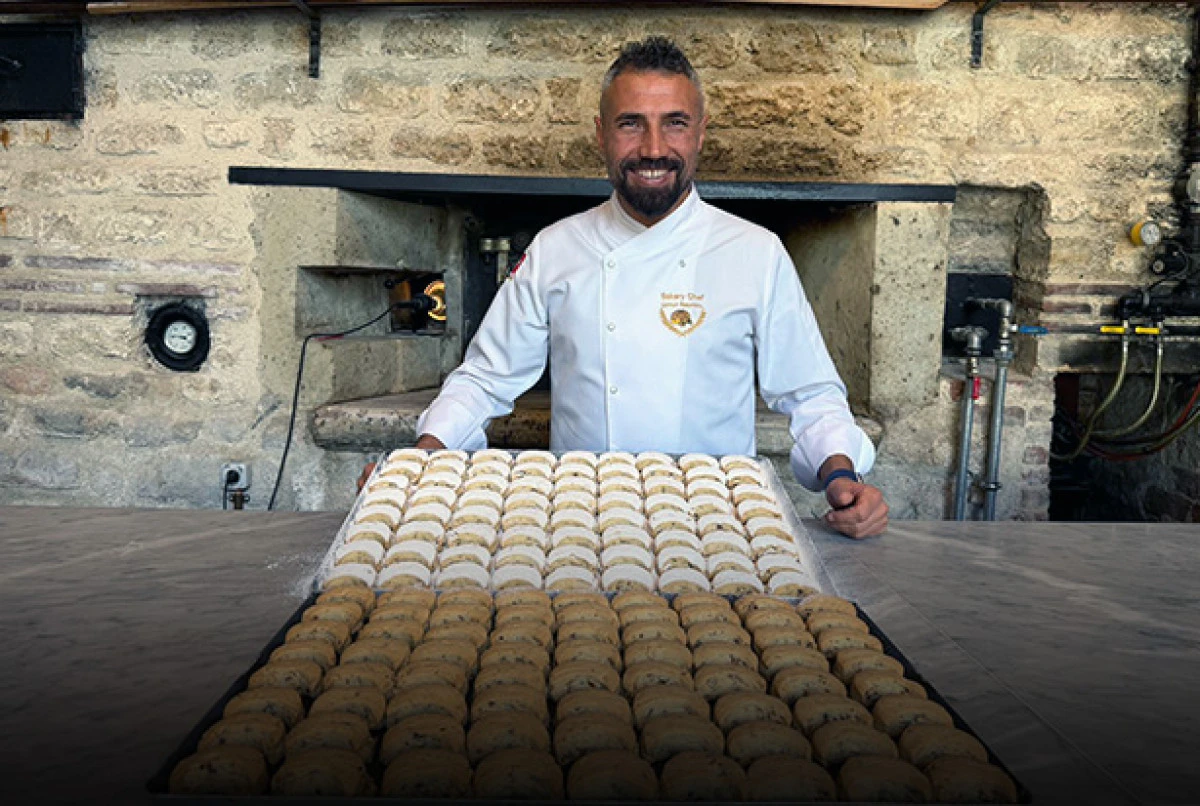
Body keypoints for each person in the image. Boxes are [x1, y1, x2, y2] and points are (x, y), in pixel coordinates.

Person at [379, 36, 888, 538]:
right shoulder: (555, 249)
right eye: (630, 124)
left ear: (700, 133)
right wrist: (421, 459)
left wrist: (841, 475)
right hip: (580, 517)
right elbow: (485, 378)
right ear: (601, 134)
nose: (653, 149)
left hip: (716, 524)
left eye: (675, 124)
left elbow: (810, 393)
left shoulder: (755, 252)